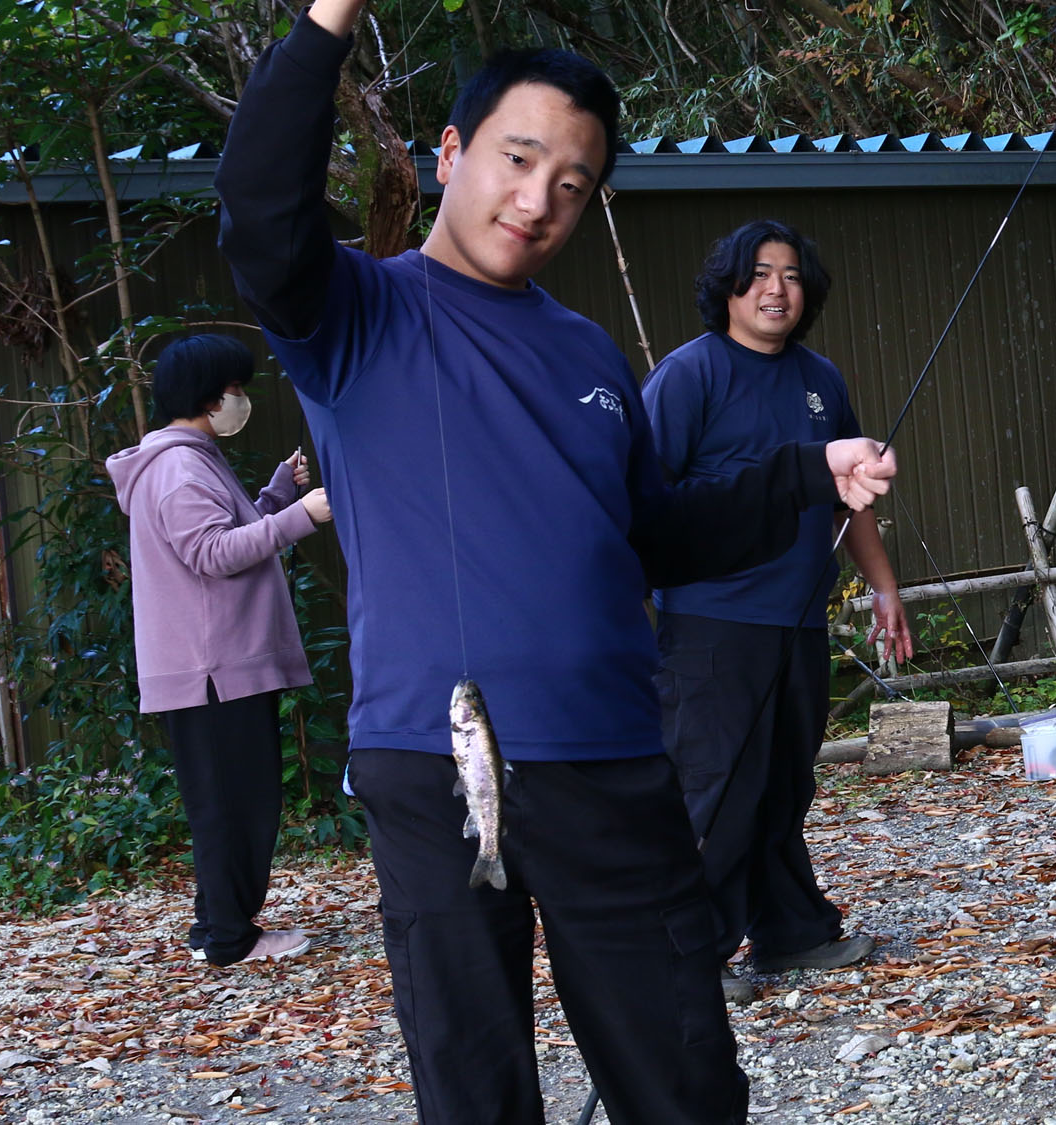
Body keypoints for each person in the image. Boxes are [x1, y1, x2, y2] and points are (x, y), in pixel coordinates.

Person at [213, 3, 898, 1123]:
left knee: (681, 1075)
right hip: (434, 759)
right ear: (450, 155)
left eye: (572, 184)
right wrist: (326, 18)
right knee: (474, 1081)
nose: (537, 202)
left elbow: (650, 533)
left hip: (616, 758)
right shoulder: (354, 313)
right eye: (516, 160)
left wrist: (804, 474)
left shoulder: (586, 351)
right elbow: (258, 212)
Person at [643, 220, 915, 1005]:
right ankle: (686, 953)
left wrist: (883, 584)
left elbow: (852, 493)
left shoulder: (821, 380)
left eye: (792, 275)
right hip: (710, 623)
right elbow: (644, 506)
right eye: (758, 273)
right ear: (728, 286)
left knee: (782, 785)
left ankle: (789, 931)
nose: (775, 289)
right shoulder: (688, 376)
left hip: (797, 617)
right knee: (715, 788)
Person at [106, 332, 333, 967]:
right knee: (236, 805)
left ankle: (218, 927)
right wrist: (302, 518)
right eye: (236, 390)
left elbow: (226, 533)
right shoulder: (179, 466)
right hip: (214, 668)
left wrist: (277, 497)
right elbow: (210, 554)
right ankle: (232, 939)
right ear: (210, 396)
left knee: (228, 800)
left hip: (214, 664)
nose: (242, 399)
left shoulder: (189, 457)